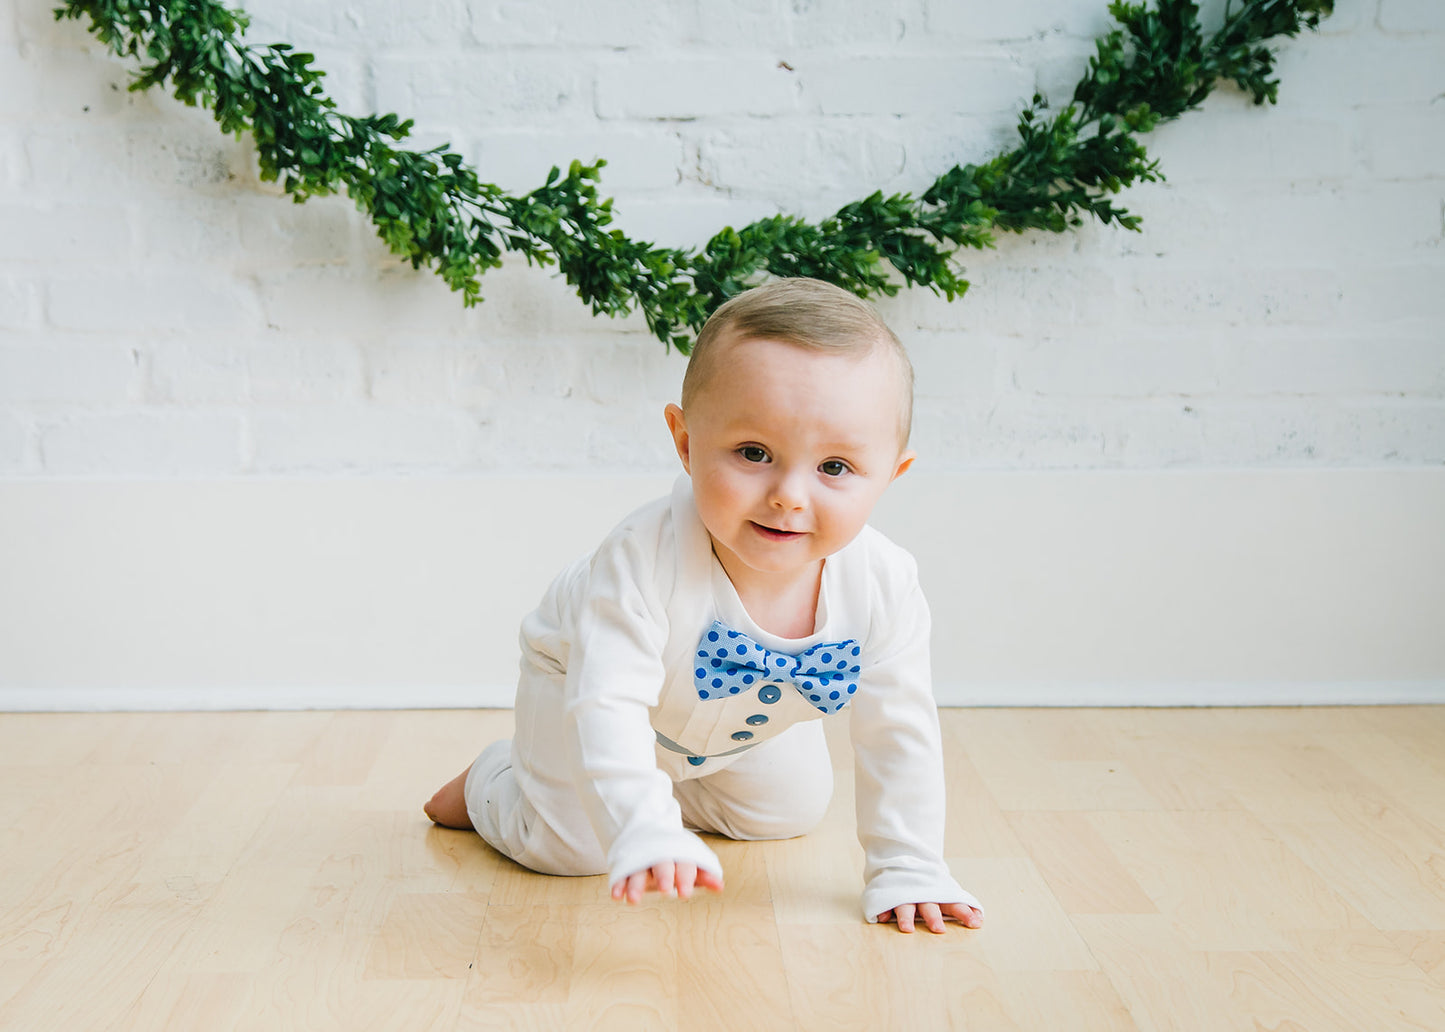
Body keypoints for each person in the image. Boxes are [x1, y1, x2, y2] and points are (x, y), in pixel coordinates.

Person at [425, 277, 983, 934]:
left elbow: (900, 730)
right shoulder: (640, 558)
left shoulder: (884, 582)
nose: (789, 495)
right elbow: (608, 701)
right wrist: (643, 828)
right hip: (585, 687)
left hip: (730, 728)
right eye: (753, 453)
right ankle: (498, 778)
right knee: (571, 849)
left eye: (834, 468)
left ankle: (662, 789)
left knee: (791, 811)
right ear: (686, 443)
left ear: (891, 475)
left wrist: (908, 863)